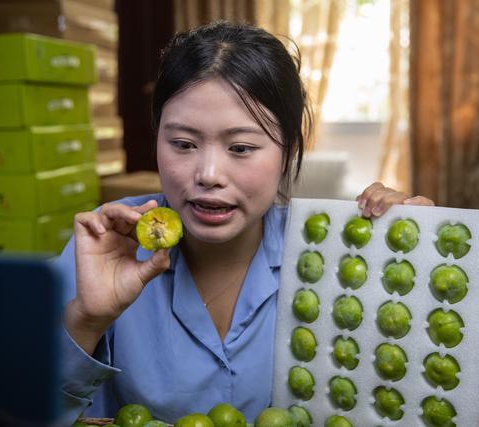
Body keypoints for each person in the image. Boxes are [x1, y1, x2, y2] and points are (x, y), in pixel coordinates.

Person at [56, 20, 434, 423]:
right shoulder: (103, 244)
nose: (209, 173)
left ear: (288, 151)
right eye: (183, 144)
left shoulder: (333, 257)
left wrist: (406, 261)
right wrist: (86, 321)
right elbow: (3, 410)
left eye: (241, 147)